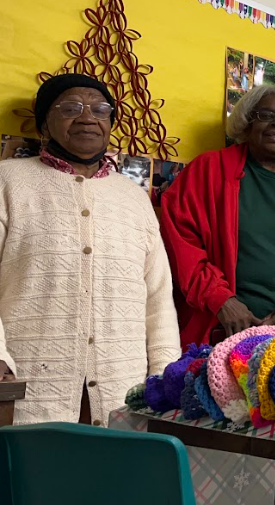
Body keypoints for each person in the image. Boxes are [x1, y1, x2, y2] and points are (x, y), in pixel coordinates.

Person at [0, 74, 180, 425]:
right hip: (28, 388)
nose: (87, 117)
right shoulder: (7, 180)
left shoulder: (133, 197)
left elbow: (158, 296)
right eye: (70, 108)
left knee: (114, 478)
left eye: (100, 109)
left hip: (124, 393)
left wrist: (164, 374)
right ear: (45, 125)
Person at [161, 85, 275, 346]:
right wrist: (221, 300)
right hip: (216, 330)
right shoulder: (208, 171)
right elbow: (181, 244)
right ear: (247, 124)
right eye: (265, 115)